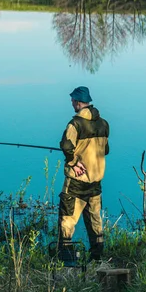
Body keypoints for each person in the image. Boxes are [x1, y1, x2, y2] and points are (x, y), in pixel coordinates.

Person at [58, 86, 109, 263]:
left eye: (73, 101)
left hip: (77, 182)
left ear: (79, 103)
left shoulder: (75, 124)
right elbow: (105, 150)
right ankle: (97, 259)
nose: (72, 103)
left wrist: (73, 162)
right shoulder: (103, 124)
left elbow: (66, 146)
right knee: (95, 221)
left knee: (67, 219)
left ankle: (67, 260)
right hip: (95, 181)